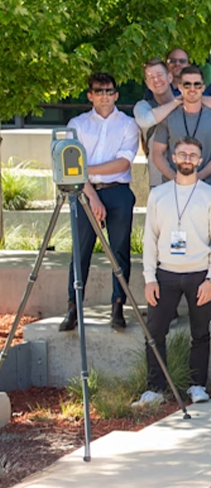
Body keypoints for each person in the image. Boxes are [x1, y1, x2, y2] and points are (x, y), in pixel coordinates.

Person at [134, 137, 211, 408]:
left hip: (199, 274)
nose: (187, 158)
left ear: (201, 160)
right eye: (182, 154)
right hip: (165, 275)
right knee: (155, 333)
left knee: (200, 333)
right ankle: (155, 388)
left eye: (193, 155)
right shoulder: (158, 195)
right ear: (173, 158)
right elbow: (149, 238)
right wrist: (149, 277)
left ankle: (197, 385)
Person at [59, 73, 140, 332]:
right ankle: (73, 308)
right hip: (84, 192)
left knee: (119, 251)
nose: (104, 95)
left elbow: (123, 163)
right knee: (80, 252)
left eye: (109, 91)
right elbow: (71, 167)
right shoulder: (77, 124)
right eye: (99, 90)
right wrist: (91, 195)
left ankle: (118, 307)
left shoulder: (128, 125)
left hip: (118, 192)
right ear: (90, 95)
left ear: (116, 94)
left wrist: (88, 168)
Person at [134, 59, 211, 189]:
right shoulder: (143, 106)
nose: (156, 80)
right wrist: (176, 102)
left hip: (198, 180)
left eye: (159, 75)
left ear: (170, 77)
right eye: (151, 77)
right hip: (159, 181)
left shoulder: (186, 104)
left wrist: (191, 95)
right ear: (147, 84)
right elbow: (145, 120)